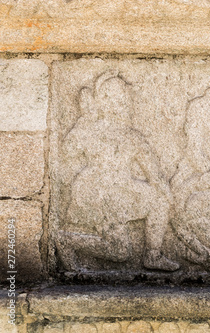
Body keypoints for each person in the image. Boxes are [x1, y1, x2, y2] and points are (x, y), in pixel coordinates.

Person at [57, 70, 179, 272]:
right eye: (118, 98)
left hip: (122, 189)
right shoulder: (89, 128)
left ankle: (153, 255)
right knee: (120, 252)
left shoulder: (132, 136)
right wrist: (83, 123)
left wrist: (168, 197)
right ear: (103, 101)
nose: (124, 102)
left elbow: (154, 174)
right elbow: (67, 152)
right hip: (97, 192)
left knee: (156, 202)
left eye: (124, 97)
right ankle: (66, 240)